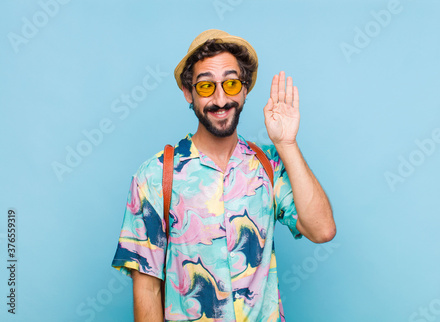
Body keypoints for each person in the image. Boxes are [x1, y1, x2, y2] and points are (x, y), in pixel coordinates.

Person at [111, 29, 336, 322]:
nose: (220, 99)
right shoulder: (155, 176)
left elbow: (321, 230)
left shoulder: (268, 165)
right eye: (206, 87)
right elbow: (147, 290)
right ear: (188, 92)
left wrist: (287, 145)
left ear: (244, 90)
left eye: (230, 84)